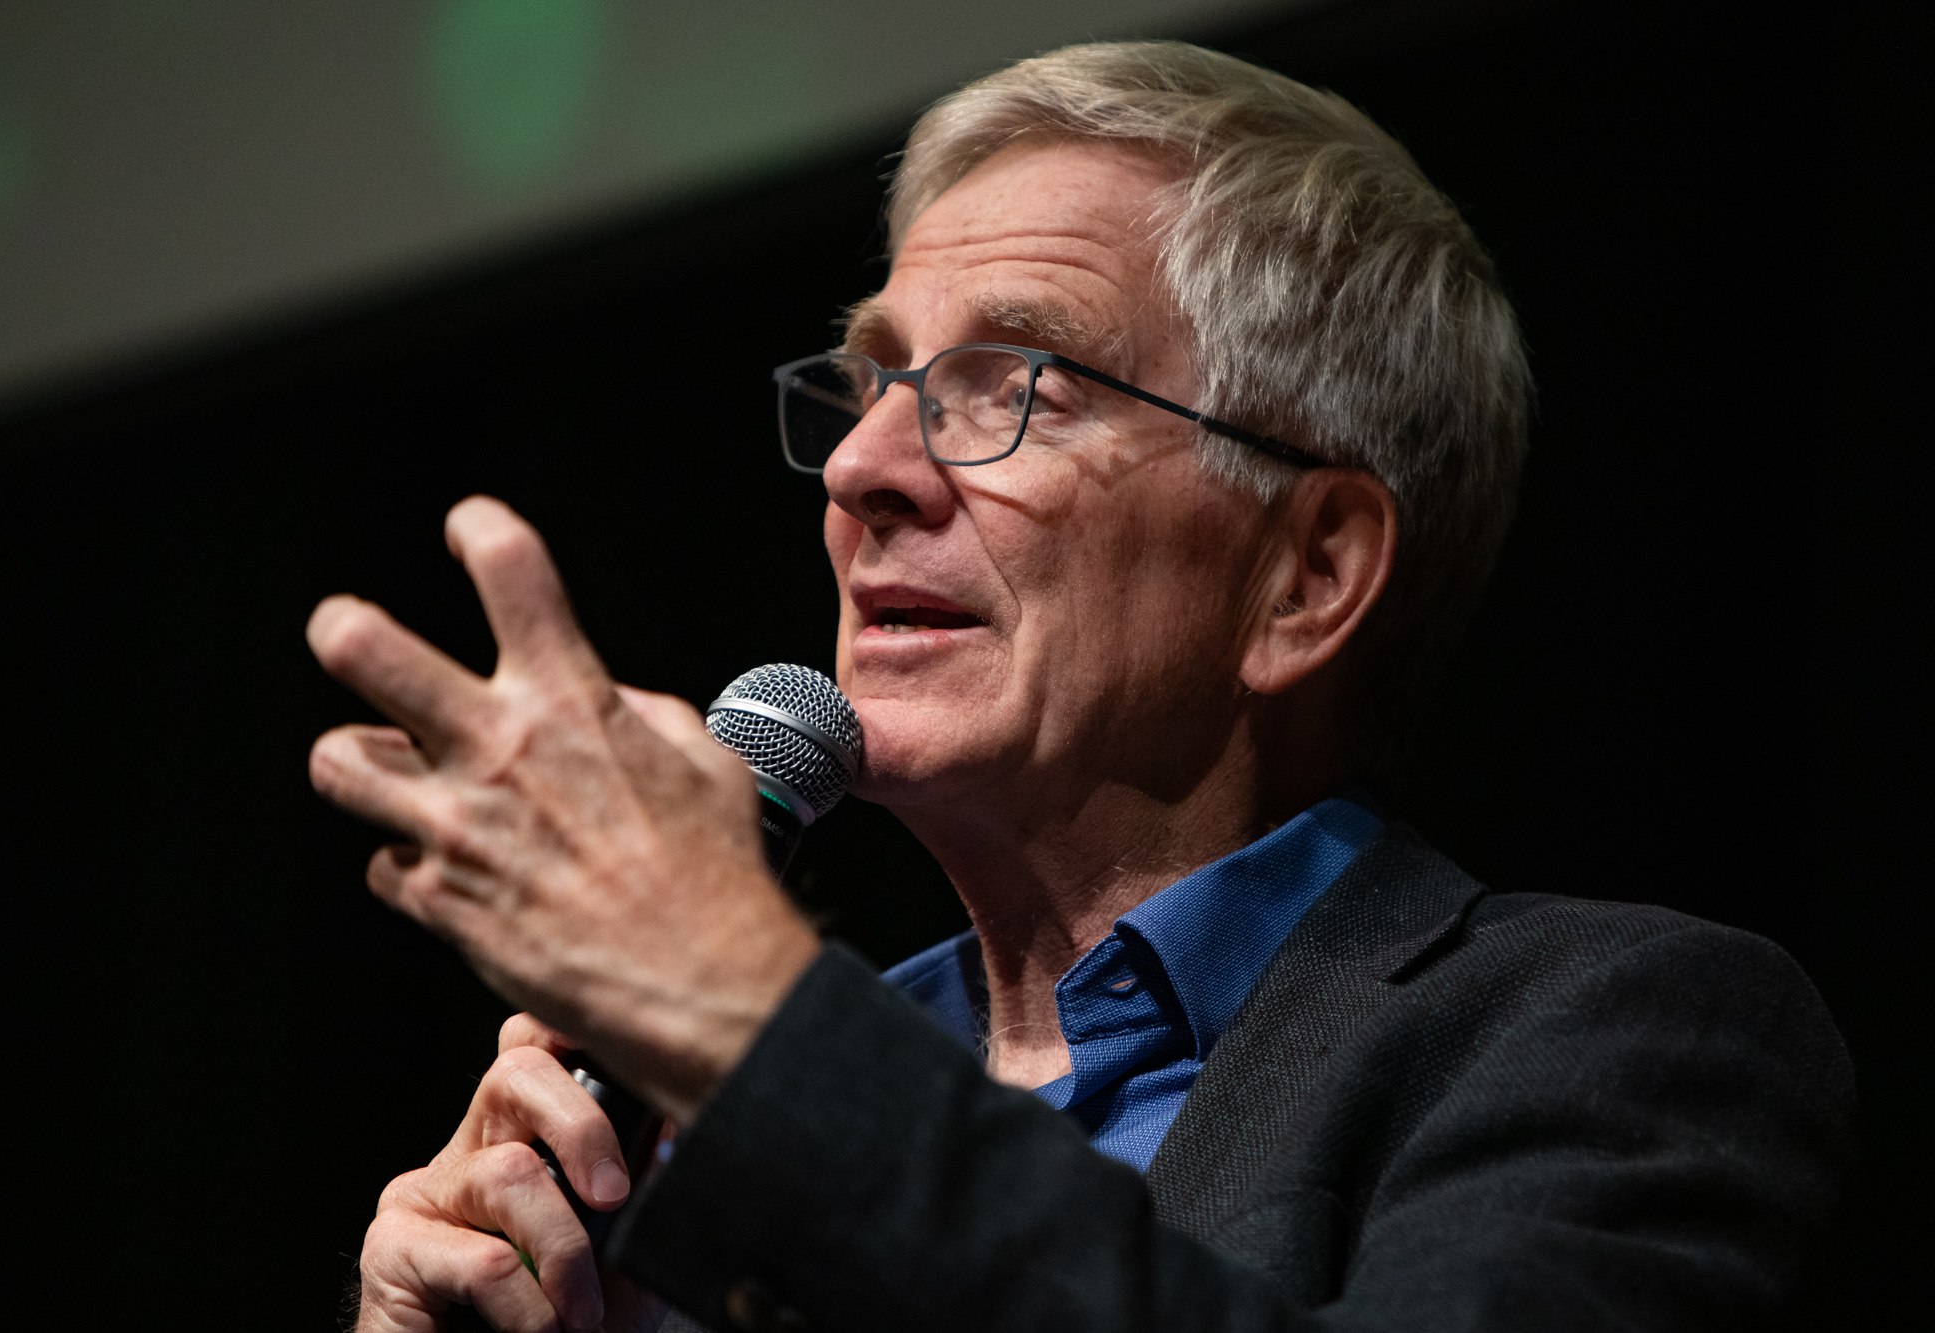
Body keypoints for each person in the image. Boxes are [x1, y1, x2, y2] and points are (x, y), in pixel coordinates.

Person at [308, 42, 1853, 1333]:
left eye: (1015, 384)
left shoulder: (1612, 1038)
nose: (858, 471)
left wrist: (739, 1018)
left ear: (1305, 574)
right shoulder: (702, 1131)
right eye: (874, 381)